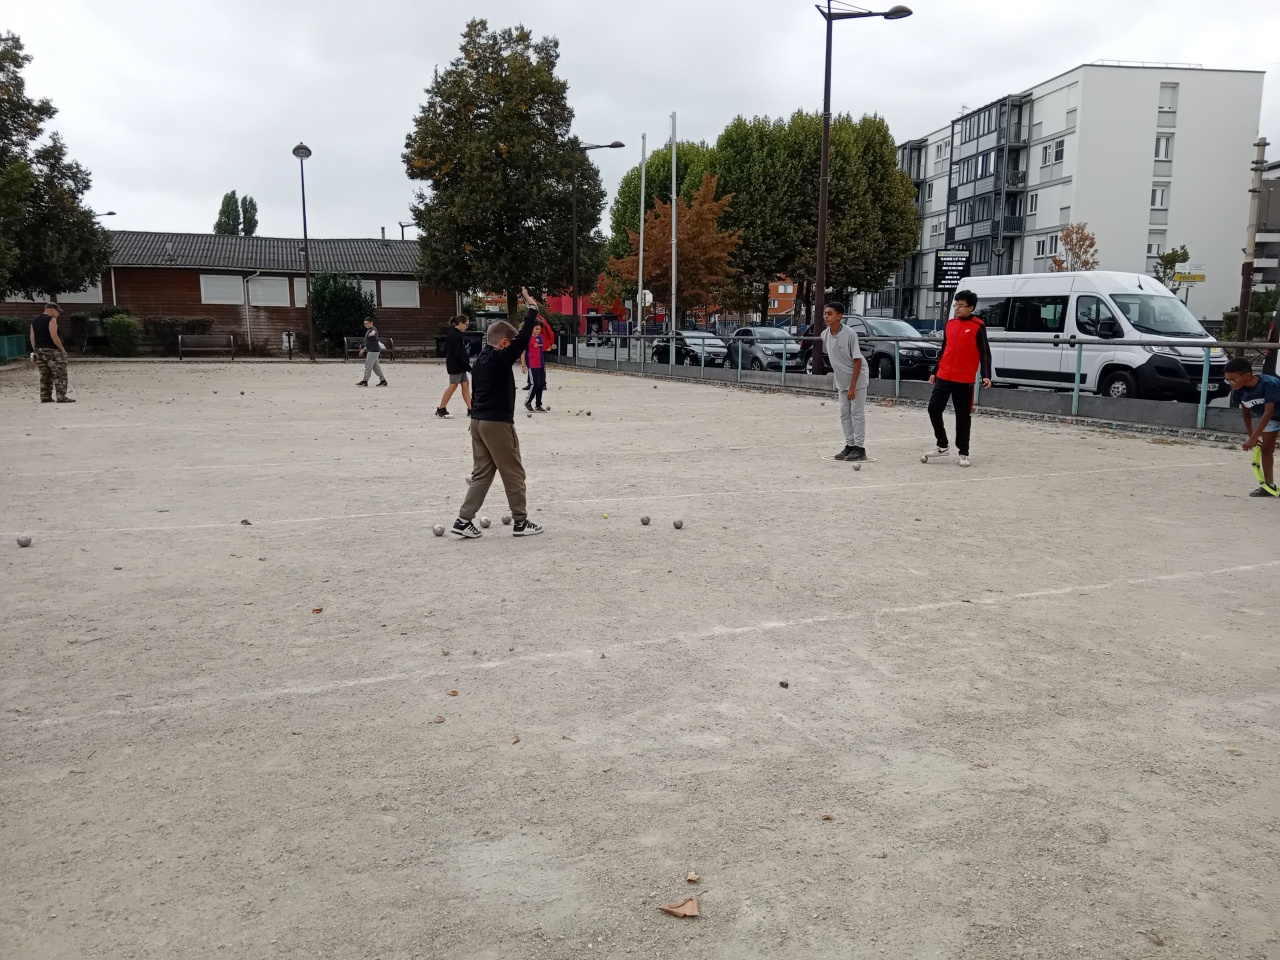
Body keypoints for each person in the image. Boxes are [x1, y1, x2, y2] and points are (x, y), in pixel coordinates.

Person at [450, 287, 544, 539]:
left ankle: (462, 520)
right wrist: (532, 309)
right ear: (503, 343)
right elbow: (523, 338)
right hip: (496, 424)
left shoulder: (480, 359)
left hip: (477, 423)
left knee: (482, 473)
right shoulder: (500, 358)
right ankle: (521, 522)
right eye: (510, 345)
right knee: (513, 473)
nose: (514, 350)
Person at [924, 289, 992, 468]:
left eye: (962, 306)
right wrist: (935, 370)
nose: (958, 309)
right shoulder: (950, 324)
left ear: (971, 308)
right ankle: (942, 445)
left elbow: (985, 352)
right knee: (933, 409)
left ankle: (963, 452)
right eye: (956, 305)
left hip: (964, 379)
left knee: (963, 416)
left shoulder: (978, 326)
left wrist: (986, 375)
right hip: (944, 375)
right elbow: (945, 349)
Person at [820, 301, 869, 462]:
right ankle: (849, 445)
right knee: (844, 413)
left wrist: (853, 386)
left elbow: (857, 360)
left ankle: (859, 448)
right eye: (825, 313)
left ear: (839, 316)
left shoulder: (850, 334)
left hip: (857, 378)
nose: (826, 317)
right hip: (841, 380)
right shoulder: (825, 335)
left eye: (830, 314)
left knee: (857, 413)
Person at [1224, 357, 1280, 497]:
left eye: (1233, 379)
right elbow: (1246, 412)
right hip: (1273, 418)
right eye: (1228, 380)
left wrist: (1255, 436)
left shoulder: (1269, 383)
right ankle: (1268, 486)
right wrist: (1251, 435)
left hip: (1272, 414)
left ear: (1247, 375)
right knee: (1266, 448)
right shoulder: (1238, 390)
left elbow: (1268, 412)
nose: (1231, 383)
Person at [29, 302, 73, 403]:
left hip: (39, 350)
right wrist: (62, 349)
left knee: (45, 374)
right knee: (59, 373)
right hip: (52, 350)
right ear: (52, 309)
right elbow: (54, 335)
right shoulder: (51, 319)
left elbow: (32, 337)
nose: (58, 314)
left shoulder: (35, 320)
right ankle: (61, 396)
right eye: (58, 311)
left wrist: (35, 349)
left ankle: (45, 396)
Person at [436, 315, 472, 419]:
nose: (467, 327)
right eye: (466, 325)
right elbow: (457, 354)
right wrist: (468, 367)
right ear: (460, 323)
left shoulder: (456, 334)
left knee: (465, 384)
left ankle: (470, 409)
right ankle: (441, 408)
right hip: (456, 365)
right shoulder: (455, 336)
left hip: (460, 365)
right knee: (453, 385)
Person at [522, 318, 549, 412]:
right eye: (536, 328)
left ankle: (538, 405)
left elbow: (540, 351)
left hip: (541, 364)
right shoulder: (528, 338)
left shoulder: (540, 338)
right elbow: (523, 352)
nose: (538, 331)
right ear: (532, 328)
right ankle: (528, 402)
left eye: (539, 329)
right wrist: (523, 364)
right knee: (535, 384)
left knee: (541, 384)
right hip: (532, 365)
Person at [357, 318, 387, 387]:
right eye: (364, 323)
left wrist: (371, 334)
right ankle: (383, 381)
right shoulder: (368, 330)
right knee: (375, 367)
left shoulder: (373, 329)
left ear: (371, 323)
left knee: (368, 365)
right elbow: (368, 343)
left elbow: (374, 332)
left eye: (367, 323)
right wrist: (364, 349)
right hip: (372, 349)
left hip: (373, 350)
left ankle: (365, 381)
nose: (366, 325)